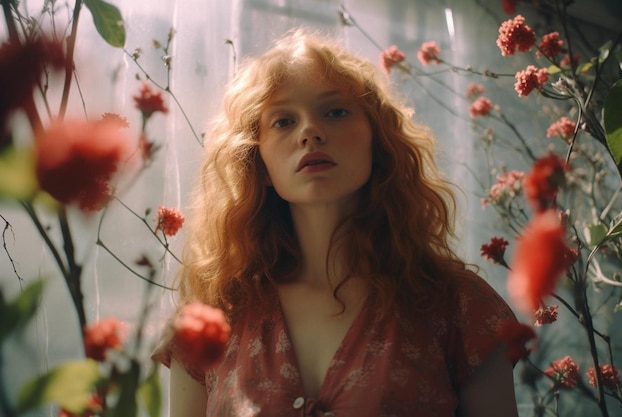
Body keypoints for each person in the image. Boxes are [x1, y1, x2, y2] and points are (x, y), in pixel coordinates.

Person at [154, 29, 520, 417]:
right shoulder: (213, 319)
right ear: (257, 164)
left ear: (377, 142)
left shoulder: (460, 307)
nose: (310, 131)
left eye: (335, 112)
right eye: (283, 121)